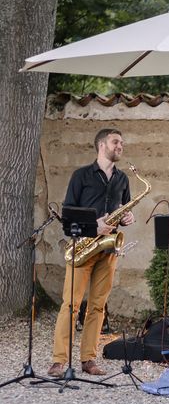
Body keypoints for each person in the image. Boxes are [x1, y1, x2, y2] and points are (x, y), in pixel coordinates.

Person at [48, 128, 134, 378]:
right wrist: (94, 225)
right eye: (116, 141)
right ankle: (59, 360)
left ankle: (88, 359)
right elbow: (68, 215)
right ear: (101, 145)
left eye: (122, 142)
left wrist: (128, 217)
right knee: (70, 305)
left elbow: (124, 210)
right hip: (82, 246)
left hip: (108, 249)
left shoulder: (123, 179)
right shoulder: (81, 176)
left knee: (97, 307)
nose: (120, 146)